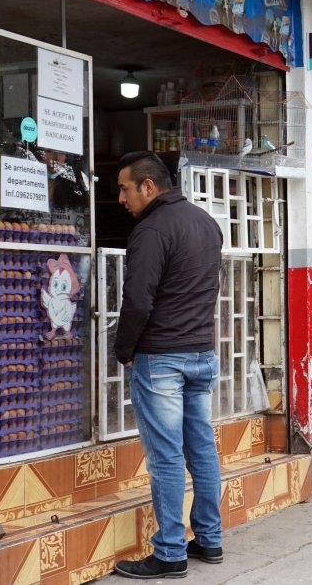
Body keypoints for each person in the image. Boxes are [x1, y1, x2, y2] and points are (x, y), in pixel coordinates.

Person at [112, 151, 225, 579]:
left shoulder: (151, 230)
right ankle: (209, 540)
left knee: (165, 458)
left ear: (148, 186)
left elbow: (138, 299)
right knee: (201, 450)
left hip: (162, 358)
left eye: (124, 188)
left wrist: (123, 348)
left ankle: (171, 551)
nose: (120, 198)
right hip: (202, 354)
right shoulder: (207, 224)